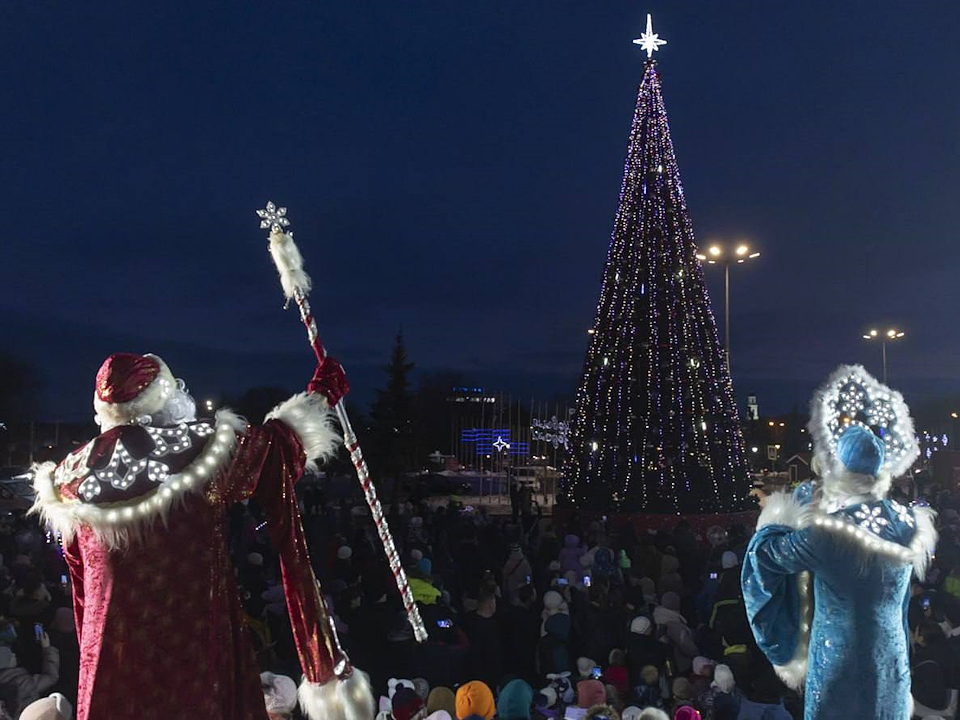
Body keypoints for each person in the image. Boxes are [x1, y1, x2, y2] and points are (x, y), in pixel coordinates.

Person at [30, 352, 373, 720]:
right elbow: (278, 450)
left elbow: (81, 586)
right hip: (194, 651)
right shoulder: (200, 447)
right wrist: (320, 395)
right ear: (163, 395)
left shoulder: (68, 476)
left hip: (114, 662)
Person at [741, 365, 938, 719]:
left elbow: (765, 557)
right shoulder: (911, 523)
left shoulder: (827, 535)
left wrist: (781, 514)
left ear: (840, 472)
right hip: (890, 658)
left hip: (838, 662)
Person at [0, 633, 59, 716]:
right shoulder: (23, 681)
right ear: (6, 662)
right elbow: (51, 677)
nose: (14, 655)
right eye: (10, 656)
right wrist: (47, 648)